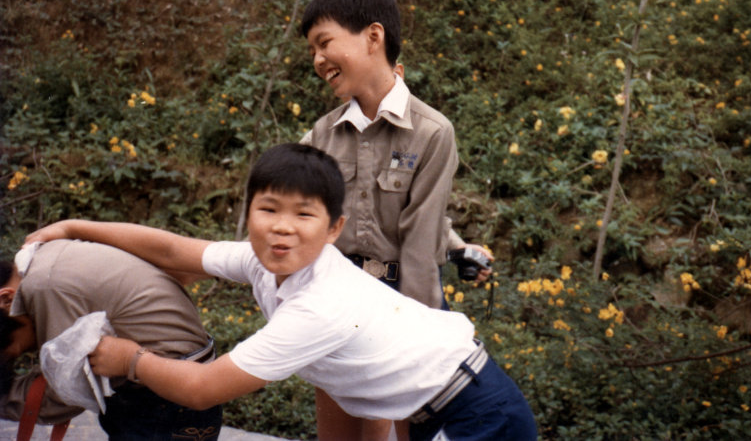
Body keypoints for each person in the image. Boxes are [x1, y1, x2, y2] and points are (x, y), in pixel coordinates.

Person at [24, 143, 537, 441]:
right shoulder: (262, 262)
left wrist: (128, 358)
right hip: (438, 404)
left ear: (334, 229)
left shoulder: (321, 305)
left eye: (304, 214)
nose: (282, 229)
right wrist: (75, 227)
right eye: (269, 209)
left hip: (478, 412)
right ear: (249, 214)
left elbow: (203, 389)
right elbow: (177, 251)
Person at [300, 0, 494, 440]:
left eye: (324, 43)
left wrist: (415, 346)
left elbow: (419, 238)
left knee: (391, 433)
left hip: (402, 303)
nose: (317, 60)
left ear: (373, 36)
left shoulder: (431, 133)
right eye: (311, 50)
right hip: (338, 300)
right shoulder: (320, 137)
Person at [0, 240, 222, 440]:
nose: (29, 351)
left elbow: (67, 392)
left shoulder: (45, 287)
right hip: (170, 389)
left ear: (6, 298)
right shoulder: (44, 259)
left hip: (166, 400)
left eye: (16, 347)